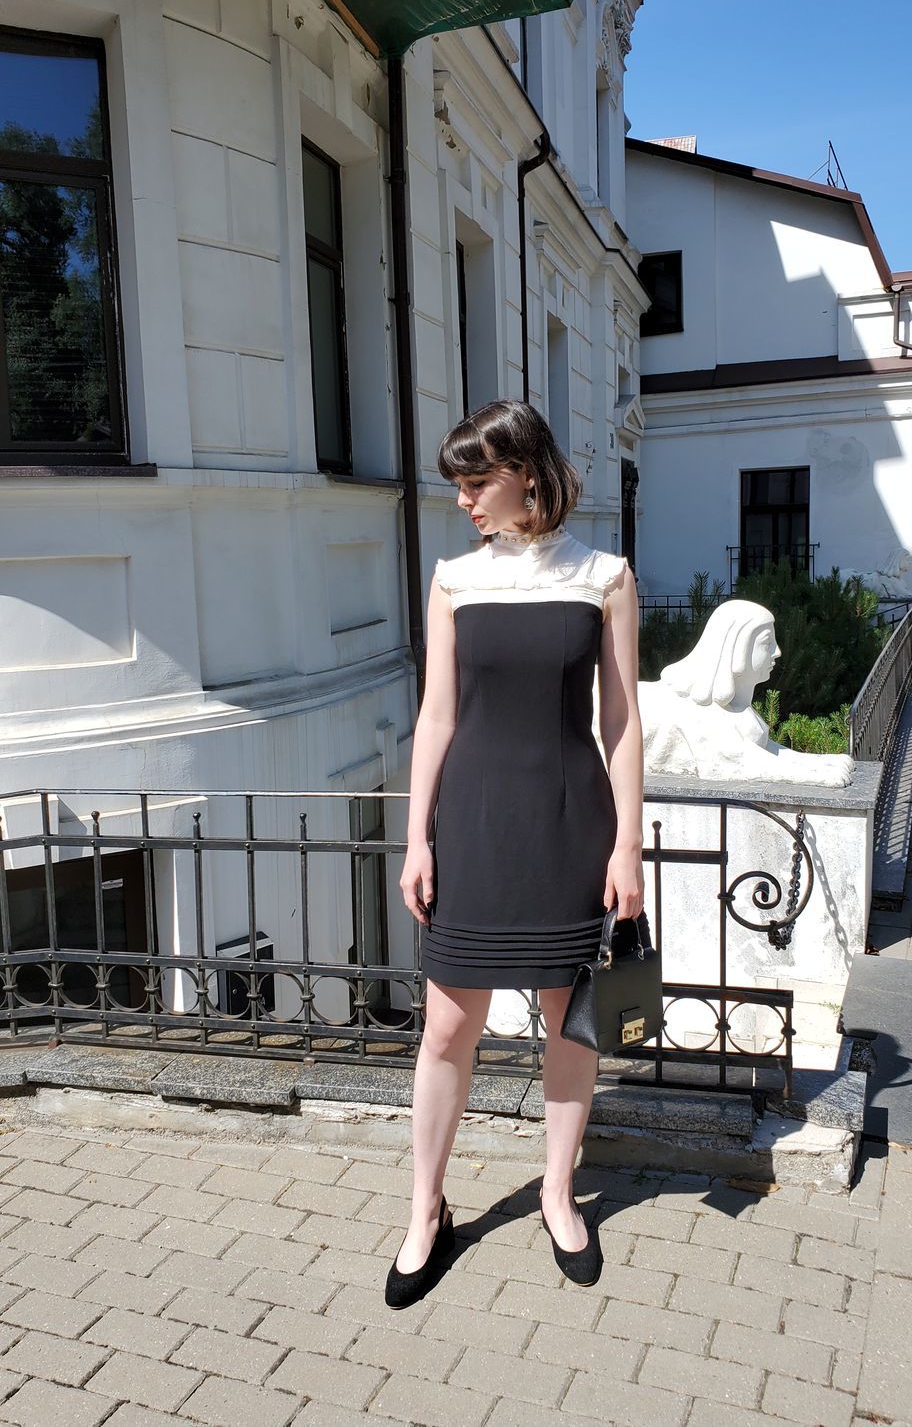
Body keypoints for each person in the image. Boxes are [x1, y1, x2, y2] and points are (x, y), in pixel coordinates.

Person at [387, 399, 645, 1309]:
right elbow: (436, 717)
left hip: (570, 822)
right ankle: (425, 1211)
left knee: (569, 1023)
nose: (462, 500)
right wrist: (415, 837)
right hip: (474, 822)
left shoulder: (605, 577)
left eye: (475, 482)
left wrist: (627, 843)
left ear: (526, 474)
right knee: (445, 1028)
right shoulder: (454, 580)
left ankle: (556, 1193)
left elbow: (621, 722)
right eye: (456, 485)